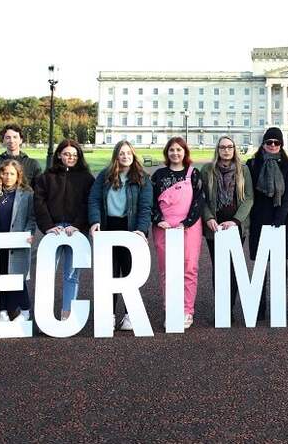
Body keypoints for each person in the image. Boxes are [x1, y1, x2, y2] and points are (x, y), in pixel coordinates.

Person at [88, 140, 153, 331]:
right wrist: (94, 221)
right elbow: (94, 199)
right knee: (109, 272)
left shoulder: (142, 178)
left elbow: (145, 207)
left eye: (128, 153)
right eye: (122, 153)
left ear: (133, 155)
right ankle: (109, 314)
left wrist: (141, 229)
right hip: (109, 226)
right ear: (116, 156)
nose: (125, 156)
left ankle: (129, 314)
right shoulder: (105, 175)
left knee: (129, 272)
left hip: (130, 228)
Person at [33, 139, 95, 320]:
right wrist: (48, 226)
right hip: (54, 230)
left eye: (75, 155)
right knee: (47, 272)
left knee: (71, 274)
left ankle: (67, 311)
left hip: (76, 231)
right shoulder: (46, 177)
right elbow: (39, 203)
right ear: (59, 154)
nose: (71, 157)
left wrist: (78, 225)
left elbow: (88, 203)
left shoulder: (86, 178)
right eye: (67, 154)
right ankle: (44, 313)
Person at [152, 137, 204, 329]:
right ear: (167, 152)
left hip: (189, 226)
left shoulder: (194, 174)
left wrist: (186, 222)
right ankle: (171, 309)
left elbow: (199, 201)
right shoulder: (158, 175)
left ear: (185, 152)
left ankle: (187, 310)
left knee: (189, 268)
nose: (175, 153)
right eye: (172, 150)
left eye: (179, 150)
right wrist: (158, 220)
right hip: (164, 226)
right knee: (167, 270)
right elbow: (151, 201)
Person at [201, 136, 254, 322]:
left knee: (233, 268)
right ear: (218, 149)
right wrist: (208, 218)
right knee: (218, 268)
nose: (226, 150)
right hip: (213, 227)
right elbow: (202, 198)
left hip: (235, 226)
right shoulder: (207, 170)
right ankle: (221, 307)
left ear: (234, 149)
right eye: (223, 147)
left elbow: (248, 198)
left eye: (230, 147)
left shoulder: (243, 170)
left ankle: (229, 307)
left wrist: (236, 220)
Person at [246, 128, 288, 322]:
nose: (273, 145)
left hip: (280, 220)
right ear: (263, 144)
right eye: (269, 142)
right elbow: (249, 193)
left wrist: (280, 217)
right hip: (259, 219)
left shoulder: (287, 166)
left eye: (276, 142)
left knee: (279, 268)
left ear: (281, 145)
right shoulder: (253, 164)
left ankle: (277, 306)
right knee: (260, 267)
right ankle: (259, 308)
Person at [0, 159, 37, 322]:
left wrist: (30, 233)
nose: (8, 176)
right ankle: (1, 309)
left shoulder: (27, 193)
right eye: (4, 173)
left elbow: (31, 218)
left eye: (12, 173)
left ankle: (24, 310)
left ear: (18, 175)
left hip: (17, 242)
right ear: (0, 174)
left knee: (17, 277)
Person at [0, 123, 43, 187]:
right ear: (3, 140)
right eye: (8, 137)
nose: (11, 141)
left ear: (21, 140)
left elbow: (39, 190)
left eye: (15, 137)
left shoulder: (32, 164)